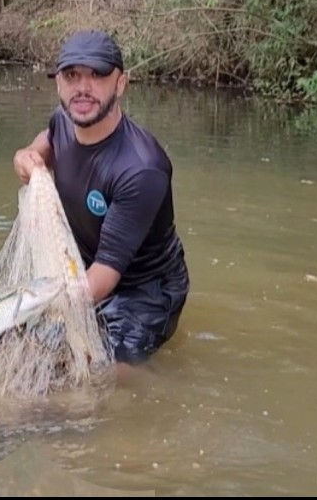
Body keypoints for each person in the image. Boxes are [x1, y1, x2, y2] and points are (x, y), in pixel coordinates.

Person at [13, 29, 189, 366]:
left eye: (97, 75)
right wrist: (29, 154)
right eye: (72, 75)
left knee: (103, 386)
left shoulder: (140, 169)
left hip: (143, 291)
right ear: (58, 84)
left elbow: (106, 274)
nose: (83, 87)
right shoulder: (64, 119)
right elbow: (49, 137)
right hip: (84, 267)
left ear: (121, 84)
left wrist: (36, 310)